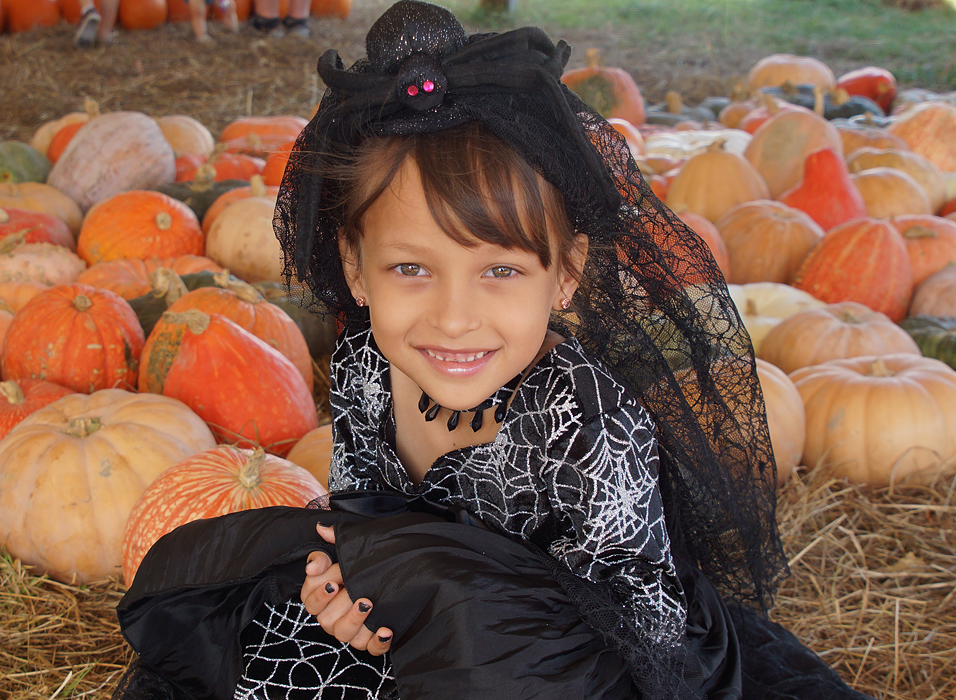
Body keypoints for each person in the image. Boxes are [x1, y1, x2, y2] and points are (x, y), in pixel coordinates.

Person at [113, 2, 876, 699]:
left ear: (565, 275)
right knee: (229, 583)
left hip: (577, 667)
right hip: (420, 631)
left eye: (500, 270)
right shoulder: (363, 370)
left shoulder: (587, 429)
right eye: (411, 268)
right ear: (355, 268)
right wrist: (343, 589)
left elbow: (642, 634)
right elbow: (363, 521)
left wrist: (441, 600)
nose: (452, 318)